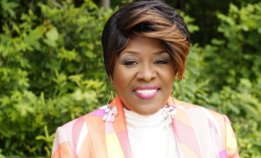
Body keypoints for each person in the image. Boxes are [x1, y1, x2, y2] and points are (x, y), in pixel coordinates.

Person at [51, 0, 239, 157]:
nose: (147, 75)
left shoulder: (213, 128)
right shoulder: (76, 139)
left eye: (160, 61)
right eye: (131, 62)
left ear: (175, 66)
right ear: (111, 69)